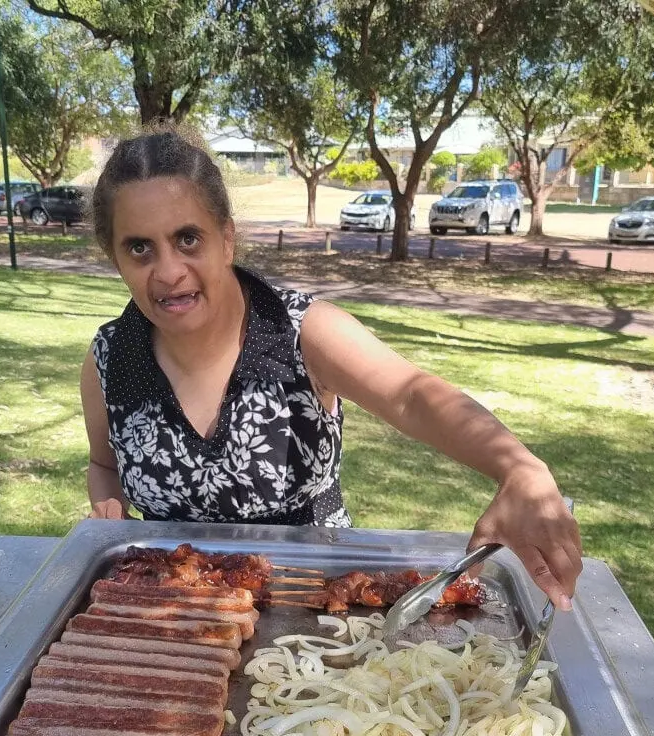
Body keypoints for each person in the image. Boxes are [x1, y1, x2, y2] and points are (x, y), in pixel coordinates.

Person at [81, 126, 582, 611]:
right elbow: (105, 465)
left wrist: (519, 466)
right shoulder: (109, 360)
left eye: (188, 238)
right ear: (115, 258)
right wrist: (108, 509)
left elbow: (411, 393)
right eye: (139, 248)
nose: (168, 271)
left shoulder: (304, 332)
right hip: (174, 611)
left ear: (227, 238)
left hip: (317, 606)